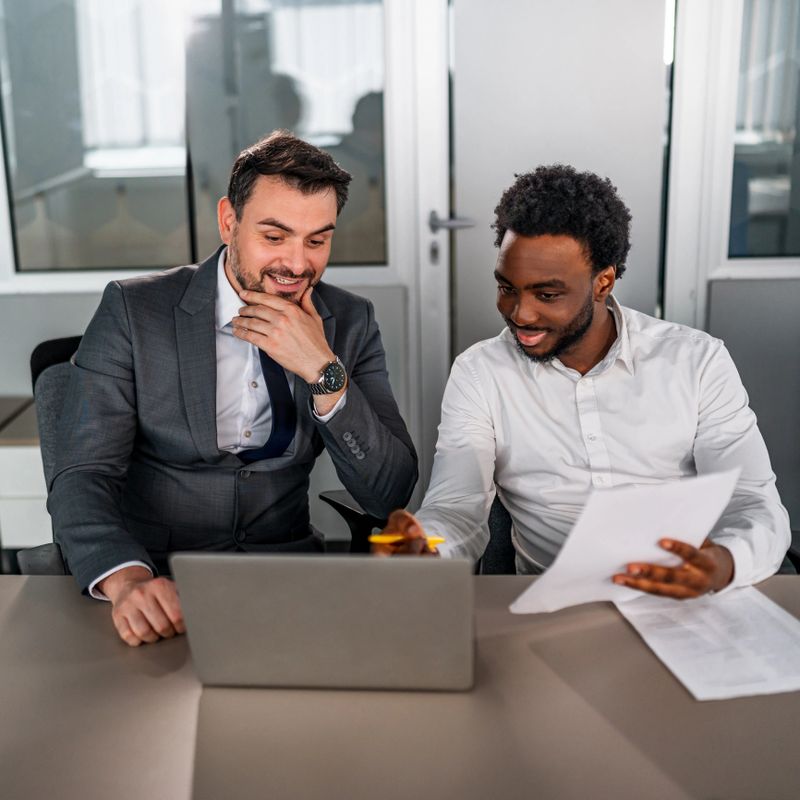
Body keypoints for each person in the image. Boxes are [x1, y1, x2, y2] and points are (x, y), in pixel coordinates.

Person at [50, 130, 418, 645]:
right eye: (274, 236)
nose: (296, 264)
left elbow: (389, 492)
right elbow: (81, 475)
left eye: (317, 240)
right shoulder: (135, 313)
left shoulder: (350, 321)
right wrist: (128, 579)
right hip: (160, 581)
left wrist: (323, 371)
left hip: (289, 582)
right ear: (229, 221)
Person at [377, 164, 790, 599]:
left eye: (547, 295)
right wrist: (428, 547)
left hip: (685, 600)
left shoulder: (696, 361)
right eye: (507, 288)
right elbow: (457, 508)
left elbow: (754, 502)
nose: (521, 313)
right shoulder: (480, 373)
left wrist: (723, 563)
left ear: (603, 281)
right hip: (553, 604)